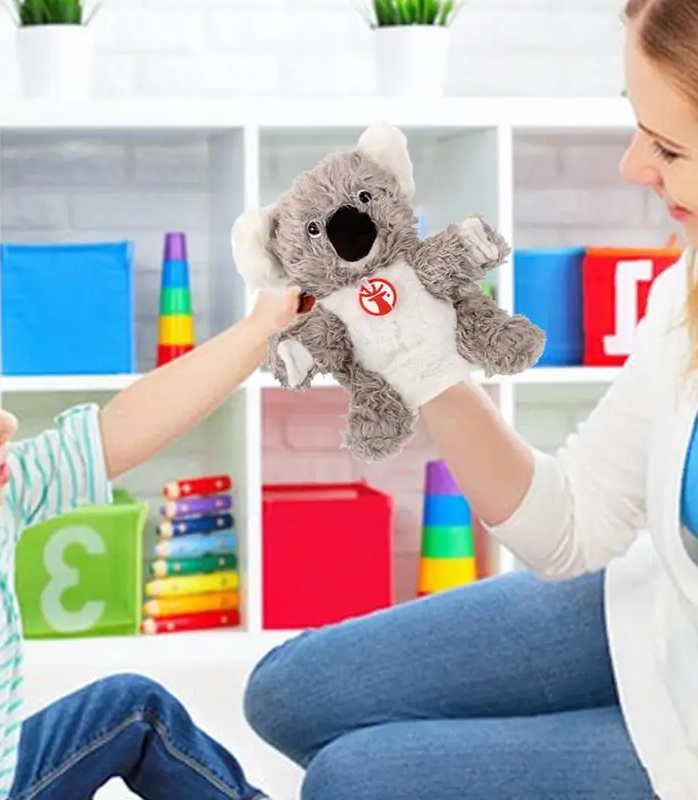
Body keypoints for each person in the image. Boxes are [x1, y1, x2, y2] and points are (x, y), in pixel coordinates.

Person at [241, 1, 698, 798]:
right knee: (285, 690)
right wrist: (425, 360)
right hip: (658, 614)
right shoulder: (686, 292)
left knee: (353, 781)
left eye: (668, 147)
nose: (632, 164)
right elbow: (574, 526)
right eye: (637, 125)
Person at [0, 265, 300, 799]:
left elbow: (121, 431)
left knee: (132, 708)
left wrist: (258, 330)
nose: (8, 427)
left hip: (2, 780)